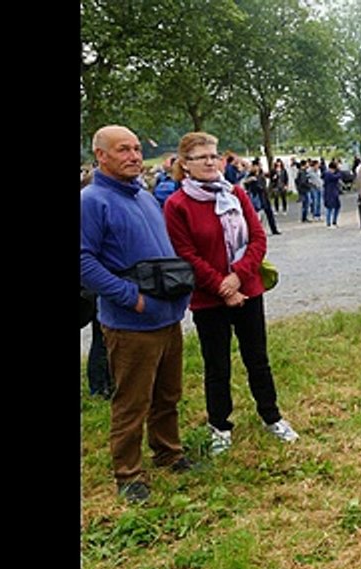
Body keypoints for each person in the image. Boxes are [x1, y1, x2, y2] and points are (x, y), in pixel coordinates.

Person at [164, 131, 300, 457]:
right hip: (209, 299)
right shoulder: (177, 204)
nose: (211, 161)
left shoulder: (235, 193)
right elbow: (186, 255)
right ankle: (220, 426)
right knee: (217, 365)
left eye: (215, 155)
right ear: (185, 164)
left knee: (258, 359)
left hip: (248, 290)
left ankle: (272, 416)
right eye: (202, 157)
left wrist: (238, 277)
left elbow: (257, 239)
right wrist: (222, 287)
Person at [81, 125, 194, 503]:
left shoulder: (144, 196)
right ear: (101, 155)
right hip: (131, 323)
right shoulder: (92, 201)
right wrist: (131, 297)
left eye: (135, 149)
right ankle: (128, 473)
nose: (133, 156)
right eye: (122, 150)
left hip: (166, 318)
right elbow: (83, 260)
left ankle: (168, 452)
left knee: (168, 393)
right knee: (132, 401)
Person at [321, 160, 343, 227]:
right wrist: (339, 170)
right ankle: (330, 222)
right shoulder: (329, 174)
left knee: (336, 207)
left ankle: (333, 221)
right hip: (331, 192)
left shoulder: (326, 173)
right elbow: (337, 176)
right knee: (330, 208)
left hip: (331, 192)